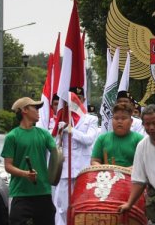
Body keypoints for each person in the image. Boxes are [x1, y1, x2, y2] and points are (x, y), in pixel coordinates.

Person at [1, 97, 57, 225]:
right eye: (35, 108)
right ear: (24, 110)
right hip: (21, 194)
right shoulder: (12, 136)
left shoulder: (44, 134)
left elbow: (56, 154)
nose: (38, 111)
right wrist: (25, 174)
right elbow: (8, 166)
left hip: (43, 192)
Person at [54, 87, 99, 225]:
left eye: (78, 99)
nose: (75, 102)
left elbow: (89, 140)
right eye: (72, 100)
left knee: (82, 205)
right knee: (62, 207)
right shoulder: (62, 118)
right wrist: (60, 133)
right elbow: (56, 145)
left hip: (82, 169)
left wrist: (71, 130)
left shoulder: (91, 119)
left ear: (83, 100)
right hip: (66, 169)